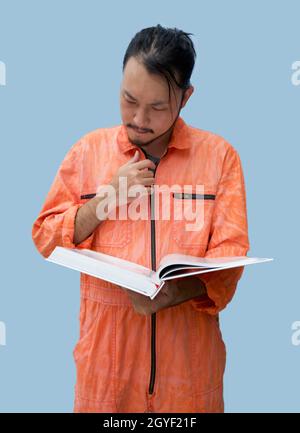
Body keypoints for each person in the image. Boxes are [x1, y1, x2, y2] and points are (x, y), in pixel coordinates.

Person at [32, 24, 249, 413]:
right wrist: (105, 200)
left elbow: (230, 260)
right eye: (129, 100)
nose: (139, 118)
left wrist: (174, 293)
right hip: (106, 377)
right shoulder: (87, 153)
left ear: (185, 98)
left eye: (157, 107)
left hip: (189, 378)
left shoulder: (220, 158)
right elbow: (45, 238)